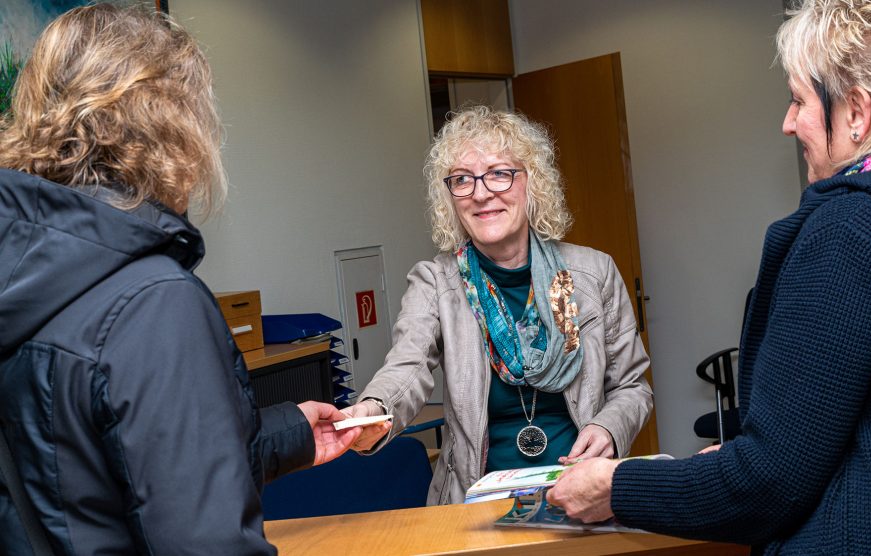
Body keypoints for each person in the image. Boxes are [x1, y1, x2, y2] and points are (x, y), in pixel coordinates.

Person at [547, 0, 871, 553]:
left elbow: (767, 485)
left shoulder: (851, 230)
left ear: (856, 112)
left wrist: (617, 487)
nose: (787, 122)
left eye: (799, 99)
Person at [0, 5, 371, 553]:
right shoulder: (152, 300)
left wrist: (290, 433)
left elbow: (78, 470)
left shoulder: (26, 269)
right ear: (172, 122)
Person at [341, 105, 654, 505]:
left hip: (581, 491)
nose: (481, 193)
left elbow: (632, 387)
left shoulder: (591, 273)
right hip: (478, 502)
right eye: (462, 180)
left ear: (532, 183)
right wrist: (372, 410)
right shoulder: (435, 282)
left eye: (499, 174)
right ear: (450, 197)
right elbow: (407, 365)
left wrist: (609, 428)